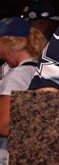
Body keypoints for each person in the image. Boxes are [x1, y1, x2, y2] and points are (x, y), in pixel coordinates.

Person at [0, 17, 47, 162]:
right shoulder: (40, 70)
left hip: (7, 153)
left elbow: (4, 124)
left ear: (6, 45)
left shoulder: (16, 76)